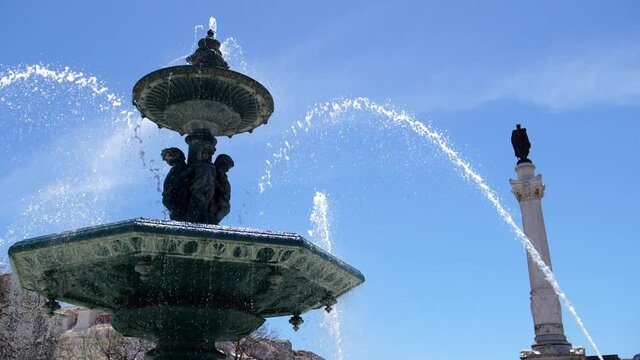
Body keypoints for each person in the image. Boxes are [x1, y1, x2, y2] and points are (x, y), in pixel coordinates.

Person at [186, 143, 217, 223]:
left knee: (205, 205)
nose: (206, 154)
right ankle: (196, 221)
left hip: (210, 189)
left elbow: (214, 177)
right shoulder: (197, 164)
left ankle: (203, 221)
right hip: (197, 188)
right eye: (204, 152)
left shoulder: (212, 166)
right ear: (200, 153)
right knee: (200, 204)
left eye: (208, 153)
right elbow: (187, 173)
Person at [161, 147, 189, 221]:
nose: (165, 159)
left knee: (178, 218)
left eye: (167, 156)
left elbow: (178, 181)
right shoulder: (177, 167)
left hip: (176, 198)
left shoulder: (180, 167)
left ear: (175, 156)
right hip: (172, 197)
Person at [210, 154, 234, 224]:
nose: (227, 170)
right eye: (227, 167)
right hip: (217, 194)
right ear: (221, 163)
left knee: (225, 208)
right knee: (225, 207)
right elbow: (213, 181)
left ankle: (213, 221)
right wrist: (221, 188)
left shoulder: (222, 174)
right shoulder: (214, 171)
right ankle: (213, 221)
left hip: (222, 194)